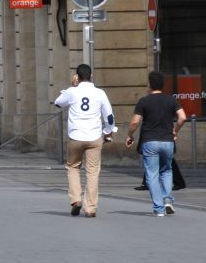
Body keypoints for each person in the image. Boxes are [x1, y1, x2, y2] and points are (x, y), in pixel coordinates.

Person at [54, 64, 116, 218]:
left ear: (77, 76)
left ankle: (76, 200)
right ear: (91, 76)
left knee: (73, 167)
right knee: (93, 172)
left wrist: (72, 86)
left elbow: (58, 102)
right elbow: (109, 116)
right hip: (94, 137)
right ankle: (90, 208)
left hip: (75, 136)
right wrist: (108, 131)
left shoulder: (72, 92)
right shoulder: (100, 93)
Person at [125, 71, 186, 217]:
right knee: (166, 171)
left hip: (150, 141)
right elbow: (182, 117)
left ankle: (159, 209)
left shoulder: (144, 101)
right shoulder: (171, 100)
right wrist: (175, 131)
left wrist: (129, 135)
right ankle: (167, 200)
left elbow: (135, 122)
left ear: (149, 85)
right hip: (167, 141)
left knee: (152, 174)